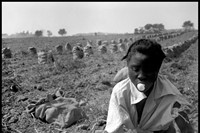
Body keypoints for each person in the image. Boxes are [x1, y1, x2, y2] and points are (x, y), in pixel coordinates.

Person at [104, 39, 194, 133]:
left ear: (157, 70)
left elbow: (186, 129)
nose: (141, 76)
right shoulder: (120, 92)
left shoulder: (171, 95)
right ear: (128, 67)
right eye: (135, 69)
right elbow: (114, 130)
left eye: (149, 70)